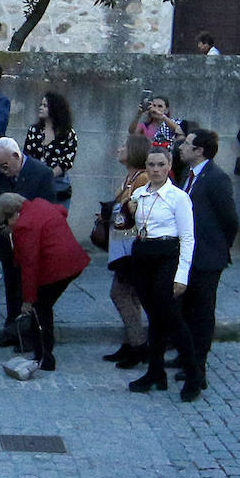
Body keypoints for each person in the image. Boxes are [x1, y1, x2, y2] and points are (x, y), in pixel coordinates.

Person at [122, 148, 200, 401]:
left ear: (168, 167)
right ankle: (155, 372)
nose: (155, 169)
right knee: (154, 317)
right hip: (143, 254)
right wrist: (129, 213)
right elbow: (130, 228)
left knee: (172, 317)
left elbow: (188, 237)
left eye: (160, 165)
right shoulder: (139, 193)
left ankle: (193, 374)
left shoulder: (178, 197)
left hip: (167, 254)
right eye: (151, 165)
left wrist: (182, 276)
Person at [0, 193, 89, 371]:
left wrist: (27, 300)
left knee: (40, 309)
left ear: (13, 214)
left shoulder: (23, 226)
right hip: (73, 261)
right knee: (44, 307)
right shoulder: (40, 203)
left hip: (58, 267)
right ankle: (43, 354)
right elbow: (61, 211)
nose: (7, 227)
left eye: (5, 222)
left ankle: (45, 357)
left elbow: (29, 266)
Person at [174, 129, 237, 392]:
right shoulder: (186, 177)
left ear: (199, 150)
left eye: (187, 144)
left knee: (201, 312)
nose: (181, 147)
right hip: (187, 256)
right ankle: (186, 357)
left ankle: (198, 366)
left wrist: (219, 246)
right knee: (185, 309)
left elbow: (230, 219)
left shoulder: (217, 179)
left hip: (208, 257)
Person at [0, 137, 56, 347]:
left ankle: (31, 335)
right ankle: (11, 329)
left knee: (32, 291)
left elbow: (48, 208)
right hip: (8, 242)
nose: (2, 171)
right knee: (11, 287)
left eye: (5, 166)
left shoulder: (42, 173)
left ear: (16, 156)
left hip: (33, 243)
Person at [101, 134, 151, 369]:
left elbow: (134, 210)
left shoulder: (141, 178)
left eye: (125, 146)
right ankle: (131, 342)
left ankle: (139, 345)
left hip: (133, 247)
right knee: (130, 296)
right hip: (123, 244)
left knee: (120, 294)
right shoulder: (130, 177)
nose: (120, 149)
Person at [24, 91, 78, 203]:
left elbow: (67, 162)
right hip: (36, 181)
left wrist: (48, 176)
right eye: (41, 105)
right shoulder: (34, 130)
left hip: (59, 184)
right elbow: (27, 154)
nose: (40, 108)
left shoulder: (68, 133)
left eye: (45, 105)